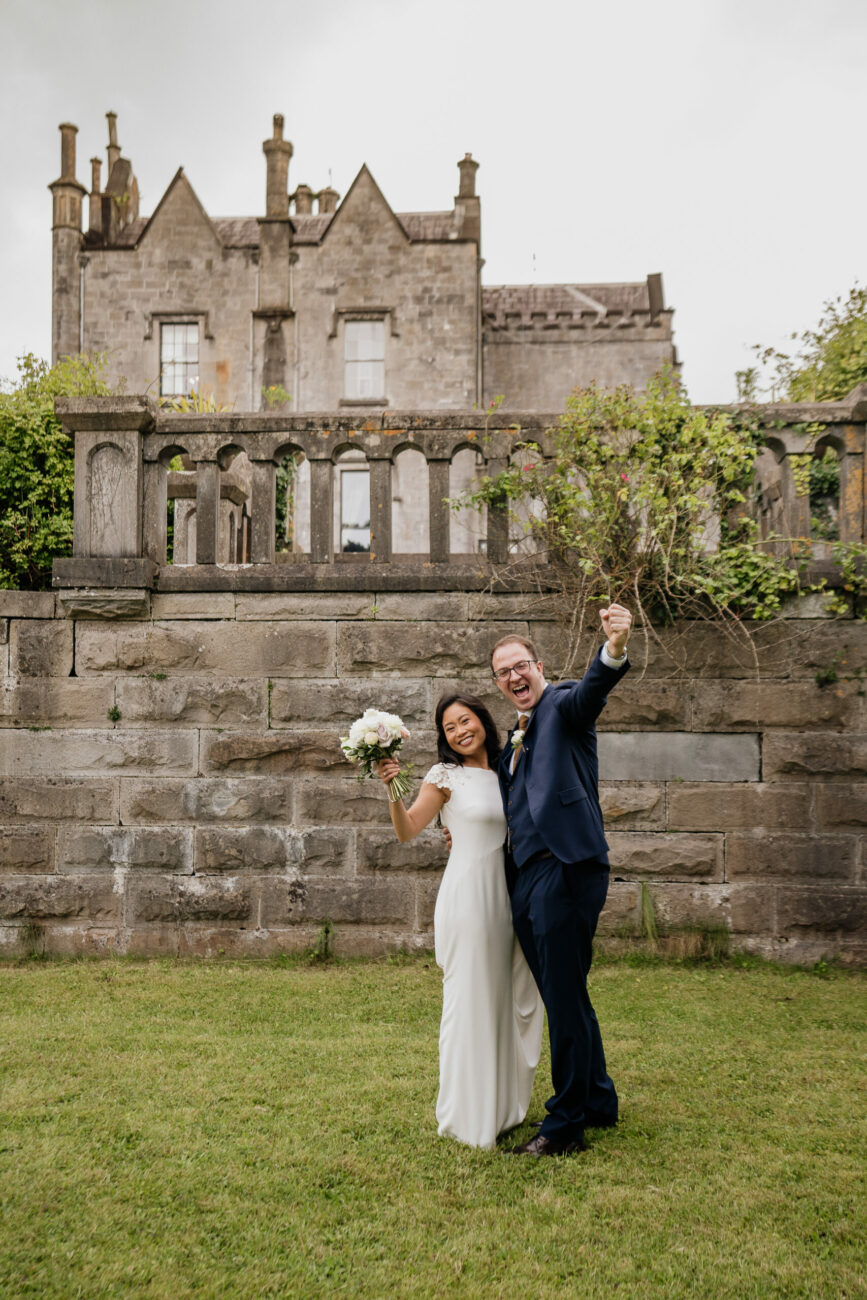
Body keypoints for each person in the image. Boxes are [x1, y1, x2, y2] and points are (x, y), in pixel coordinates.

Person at [491, 602, 633, 1156]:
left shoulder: (564, 706)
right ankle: (598, 1100)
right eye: (503, 672)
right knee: (563, 994)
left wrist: (614, 648)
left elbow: (594, 688)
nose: (514, 676)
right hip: (525, 875)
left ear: (539, 665)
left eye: (520, 664)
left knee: (566, 997)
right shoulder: (514, 739)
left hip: (567, 868)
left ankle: (565, 1124)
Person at [377, 693, 543, 1150]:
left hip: (509, 896)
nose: (459, 731)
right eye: (449, 727)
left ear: (483, 722)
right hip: (470, 897)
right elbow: (408, 829)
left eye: (465, 720)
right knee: (469, 1000)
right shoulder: (444, 775)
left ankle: (504, 1105)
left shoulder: (511, 767)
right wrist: (392, 787)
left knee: (508, 999)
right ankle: (467, 1116)